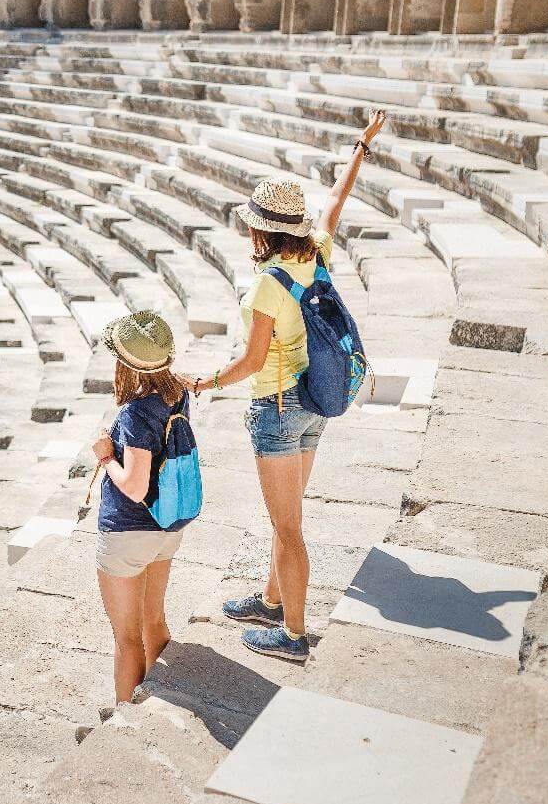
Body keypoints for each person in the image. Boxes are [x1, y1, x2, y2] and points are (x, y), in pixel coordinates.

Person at [178, 110, 387, 662]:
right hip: (314, 400)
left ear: (259, 229)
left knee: (288, 526)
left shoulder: (267, 287)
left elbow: (250, 362)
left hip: (275, 408)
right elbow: (335, 203)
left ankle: (294, 635)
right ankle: (272, 601)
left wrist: (203, 380)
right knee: (288, 513)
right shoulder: (315, 252)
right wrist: (360, 147)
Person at [90, 310, 201, 705]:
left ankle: (124, 722)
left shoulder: (136, 412)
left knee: (126, 638)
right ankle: (159, 695)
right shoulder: (178, 394)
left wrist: (106, 457)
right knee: (155, 621)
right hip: (166, 528)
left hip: (128, 533)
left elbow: (135, 486)